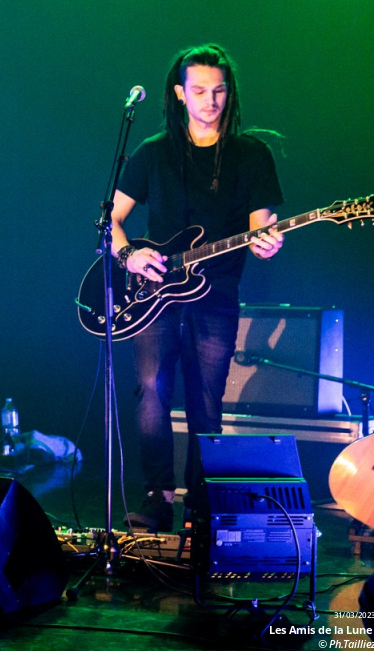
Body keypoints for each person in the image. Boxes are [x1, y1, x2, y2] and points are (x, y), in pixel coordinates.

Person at [110, 44, 284, 532]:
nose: (211, 100)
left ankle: (201, 504)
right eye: (201, 90)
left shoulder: (251, 155)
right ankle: (158, 496)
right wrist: (129, 255)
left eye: (219, 91)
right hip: (154, 295)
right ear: (180, 93)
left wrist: (267, 242)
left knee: (206, 401)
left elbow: (261, 227)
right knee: (151, 391)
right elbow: (111, 221)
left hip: (216, 295)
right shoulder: (153, 152)